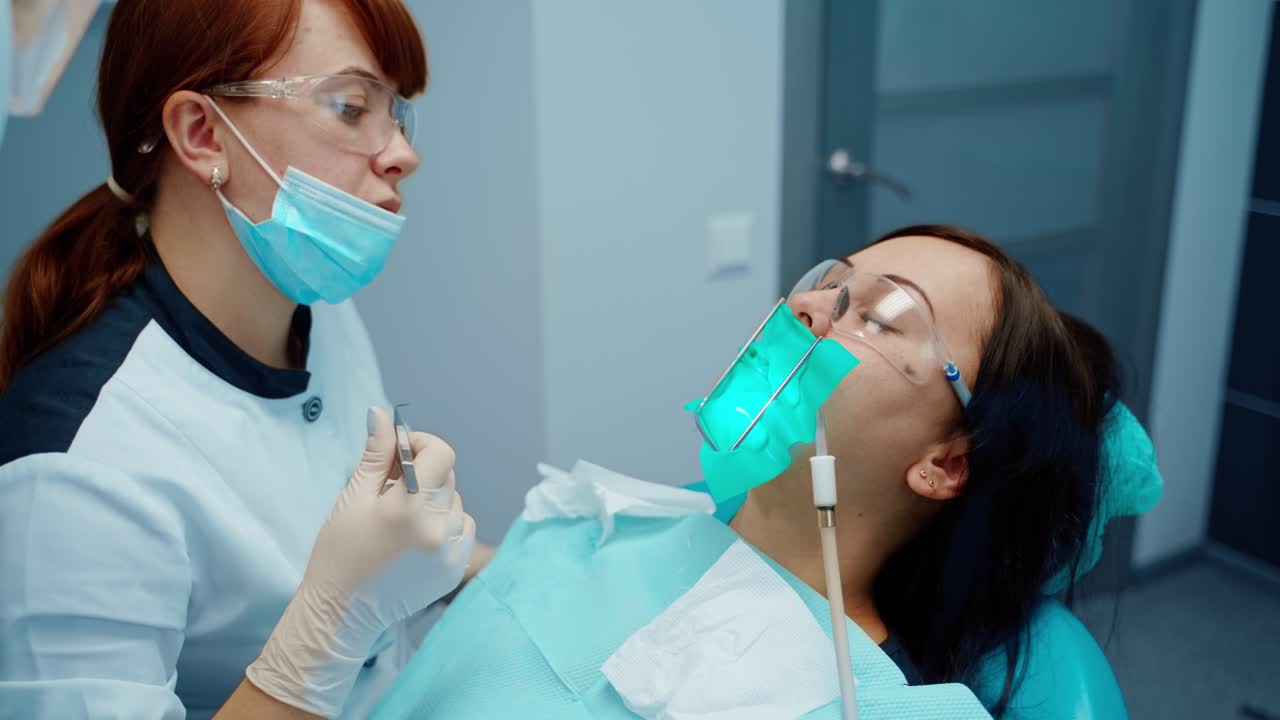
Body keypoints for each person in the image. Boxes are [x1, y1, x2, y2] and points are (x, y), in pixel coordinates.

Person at [371, 225, 1135, 718]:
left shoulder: (870, 702)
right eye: (831, 280)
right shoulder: (606, 519)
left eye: (881, 316)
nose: (807, 305)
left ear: (945, 464)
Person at [0, 1, 480, 717]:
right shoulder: (77, 464)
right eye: (351, 107)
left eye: (395, 112)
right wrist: (326, 628)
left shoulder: (314, 305)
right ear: (201, 134)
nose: (401, 152)